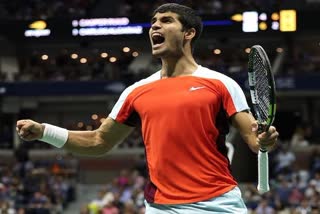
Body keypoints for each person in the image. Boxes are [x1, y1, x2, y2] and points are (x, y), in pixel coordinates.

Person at [16, 3, 279, 213]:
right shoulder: (135, 92)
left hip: (217, 204)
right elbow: (98, 141)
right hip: (160, 206)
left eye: (166, 21)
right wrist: (43, 131)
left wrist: (265, 139)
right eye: (153, 22)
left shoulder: (220, 84)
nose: (155, 25)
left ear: (189, 33)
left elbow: (253, 139)